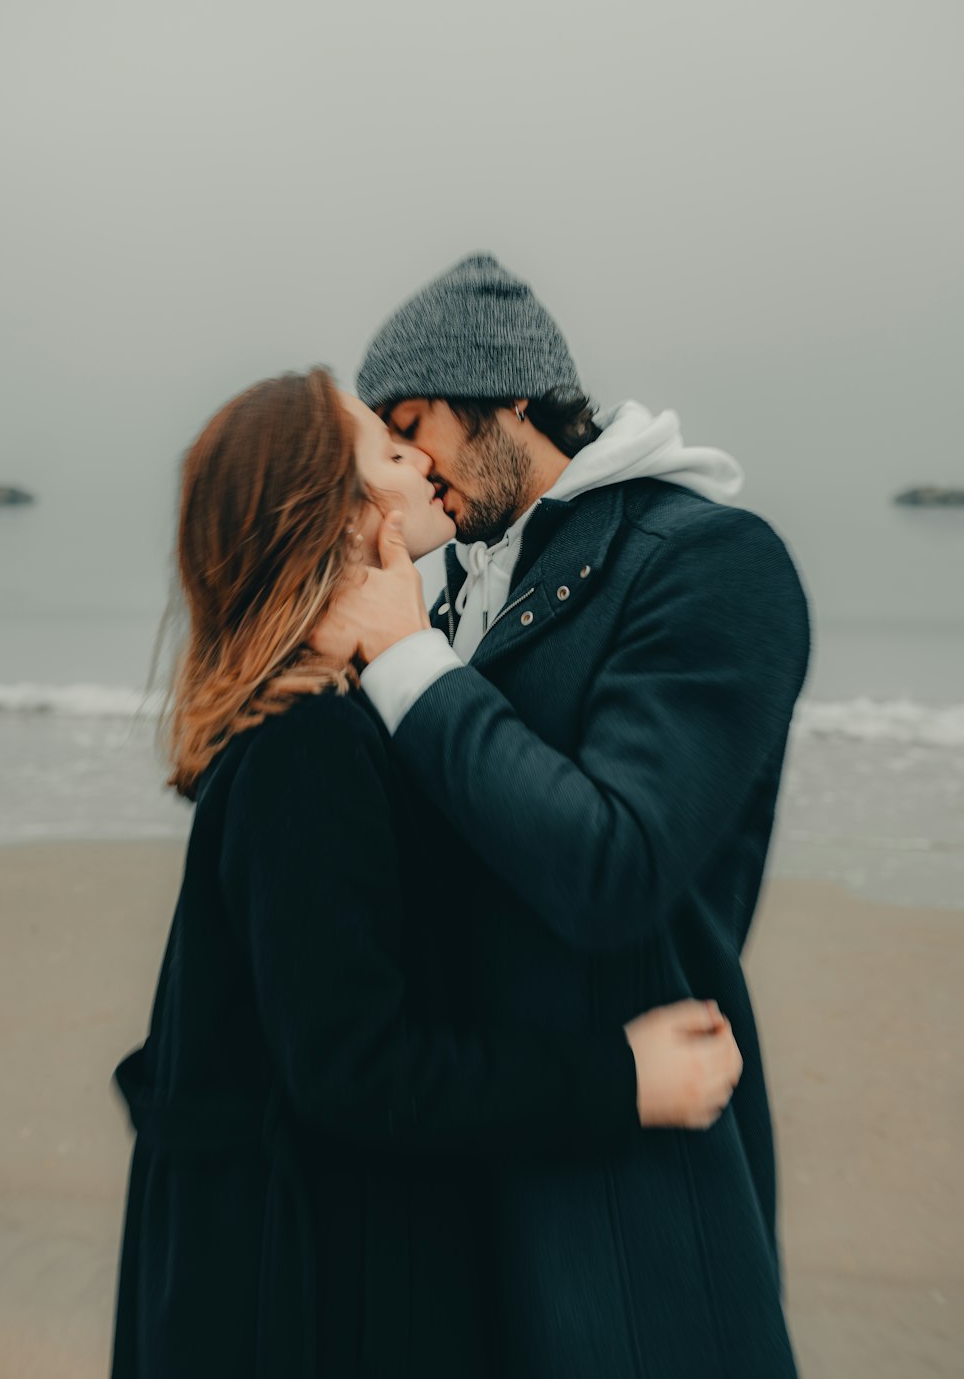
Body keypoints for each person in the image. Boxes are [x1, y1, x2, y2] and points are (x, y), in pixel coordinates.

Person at [109, 368, 743, 1379]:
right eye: (386, 444)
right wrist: (620, 1077)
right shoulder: (308, 749)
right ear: (341, 512)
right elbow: (356, 1070)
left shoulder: (329, 722)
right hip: (303, 1302)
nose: (417, 457)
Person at [320, 253, 812, 1378]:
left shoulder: (708, 563)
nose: (406, 464)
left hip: (625, 1216)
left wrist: (403, 656)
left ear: (498, 398)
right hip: (456, 1169)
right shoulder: (452, 584)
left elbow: (615, 864)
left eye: (413, 423)